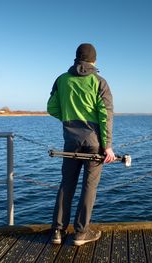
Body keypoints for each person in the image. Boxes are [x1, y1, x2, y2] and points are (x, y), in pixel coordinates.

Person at [47, 43, 115, 246]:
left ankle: (57, 232)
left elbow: (51, 107)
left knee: (66, 185)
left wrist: (68, 120)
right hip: (95, 143)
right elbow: (106, 116)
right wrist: (108, 146)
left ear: (76, 58)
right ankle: (80, 233)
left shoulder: (61, 80)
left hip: (70, 141)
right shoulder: (99, 82)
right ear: (94, 60)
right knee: (89, 187)